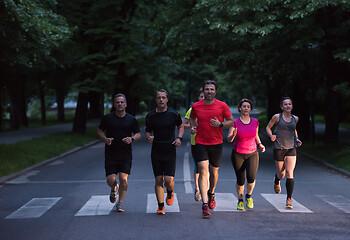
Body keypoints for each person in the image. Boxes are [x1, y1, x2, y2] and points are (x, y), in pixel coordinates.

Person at [190, 80, 234, 217]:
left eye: (212, 89)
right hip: (200, 142)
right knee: (203, 171)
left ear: (215, 91)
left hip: (216, 143)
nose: (209, 91)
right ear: (203, 91)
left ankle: (212, 192)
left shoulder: (222, 105)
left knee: (213, 172)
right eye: (207, 89)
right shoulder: (196, 106)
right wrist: (193, 127)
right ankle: (204, 204)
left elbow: (232, 121)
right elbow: (192, 118)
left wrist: (220, 124)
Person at [97, 93, 141, 212]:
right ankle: (114, 187)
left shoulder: (131, 119)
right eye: (117, 102)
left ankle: (120, 203)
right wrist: (105, 139)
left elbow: (138, 134)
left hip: (125, 154)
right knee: (110, 180)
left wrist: (131, 139)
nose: (120, 104)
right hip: (111, 153)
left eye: (122, 102)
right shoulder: (108, 118)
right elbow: (100, 130)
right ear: (114, 104)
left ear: (125, 104)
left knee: (123, 178)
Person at [145, 89, 184, 215]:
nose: (161, 100)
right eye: (158, 98)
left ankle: (170, 190)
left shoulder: (174, 114)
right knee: (158, 179)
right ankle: (160, 206)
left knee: (168, 180)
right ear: (155, 100)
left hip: (170, 150)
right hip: (156, 150)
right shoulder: (150, 115)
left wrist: (179, 138)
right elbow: (147, 131)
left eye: (163, 98)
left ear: (167, 99)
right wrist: (149, 137)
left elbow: (181, 126)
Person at [227, 99, 265, 211]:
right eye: (243, 106)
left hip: (252, 153)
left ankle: (248, 196)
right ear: (240, 108)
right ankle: (240, 200)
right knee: (240, 179)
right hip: (238, 154)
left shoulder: (255, 122)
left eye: (248, 106)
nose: (246, 108)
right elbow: (229, 139)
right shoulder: (235, 123)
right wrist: (233, 135)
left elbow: (256, 135)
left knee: (251, 177)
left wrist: (260, 144)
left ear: (250, 109)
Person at [266, 97, 302, 209]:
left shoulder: (295, 118)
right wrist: (271, 135)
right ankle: (277, 180)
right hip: (279, 147)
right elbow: (268, 127)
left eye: (289, 104)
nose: (287, 106)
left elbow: (294, 130)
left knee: (289, 173)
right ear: (282, 106)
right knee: (281, 174)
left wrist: (297, 139)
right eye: (285, 104)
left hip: (291, 147)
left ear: (292, 106)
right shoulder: (277, 117)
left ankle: (289, 199)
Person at [183, 88, 205, 202]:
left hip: (210, 142)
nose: (203, 99)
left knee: (208, 168)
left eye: (204, 97)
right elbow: (183, 125)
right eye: (201, 97)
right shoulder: (192, 109)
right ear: (198, 98)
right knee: (198, 168)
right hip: (196, 142)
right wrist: (192, 127)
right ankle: (197, 188)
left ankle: (206, 189)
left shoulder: (211, 109)